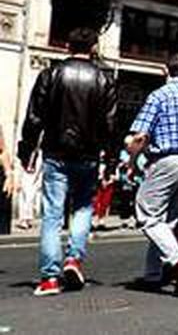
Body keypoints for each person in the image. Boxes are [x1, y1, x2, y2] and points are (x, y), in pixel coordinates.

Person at [17, 27, 118, 295]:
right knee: (83, 207)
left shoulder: (50, 75)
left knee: (52, 215)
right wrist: (110, 160)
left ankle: (49, 278)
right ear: (94, 48)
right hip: (88, 155)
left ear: (66, 47)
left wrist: (26, 151)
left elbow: (34, 117)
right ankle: (74, 259)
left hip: (55, 153)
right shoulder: (103, 79)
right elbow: (110, 124)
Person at [126, 54, 178, 296]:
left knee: (147, 215)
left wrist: (132, 161)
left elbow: (140, 136)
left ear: (166, 71)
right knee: (167, 223)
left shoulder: (159, 95)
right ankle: (153, 275)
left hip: (167, 160)